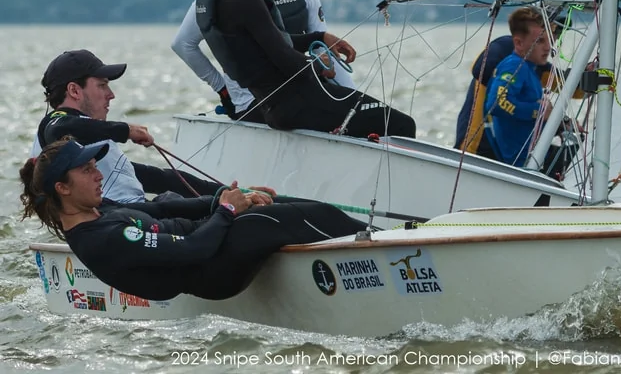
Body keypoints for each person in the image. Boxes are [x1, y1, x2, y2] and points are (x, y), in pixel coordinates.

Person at [20, 137, 368, 301]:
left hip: (213, 242)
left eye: (96, 167)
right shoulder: (99, 238)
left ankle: (376, 234)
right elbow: (192, 250)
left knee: (275, 203)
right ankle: (381, 241)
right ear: (62, 187)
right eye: (87, 170)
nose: (98, 175)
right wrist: (229, 210)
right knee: (275, 220)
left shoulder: (99, 209)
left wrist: (227, 196)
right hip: (212, 271)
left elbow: (165, 209)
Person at [195, 0, 417, 139]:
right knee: (401, 125)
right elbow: (285, 59)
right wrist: (319, 66)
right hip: (302, 101)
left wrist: (319, 37)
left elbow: (271, 44)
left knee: (369, 122)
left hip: (274, 107)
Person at [30, 49, 257, 203]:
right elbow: (60, 128)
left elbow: (156, 178)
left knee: (174, 193)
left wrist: (228, 192)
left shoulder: (87, 135)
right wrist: (125, 130)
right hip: (113, 229)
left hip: (136, 216)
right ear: (74, 91)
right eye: (102, 86)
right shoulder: (56, 124)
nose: (111, 95)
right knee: (174, 202)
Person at [171, 0, 355, 122]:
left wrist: (351, 94)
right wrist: (221, 88)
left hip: (299, 91)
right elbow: (183, 44)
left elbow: (323, 49)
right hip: (252, 101)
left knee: (360, 109)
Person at [455, 6, 584, 159]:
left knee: (572, 156)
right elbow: (480, 70)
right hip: (476, 146)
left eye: (556, 33)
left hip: (512, 149)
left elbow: (573, 89)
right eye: (550, 31)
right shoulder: (506, 49)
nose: (553, 40)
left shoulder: (535, 66)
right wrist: (534, 107)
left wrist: (560, 122)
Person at [482, 6, 576, 169]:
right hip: (524, 164)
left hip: (536, 156)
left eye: (549, 40)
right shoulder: (514, 66)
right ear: (519, 43)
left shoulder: (529, 68)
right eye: (540, 41)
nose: (548, 47)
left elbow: (528, 120)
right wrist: (538, 111)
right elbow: (496, 103)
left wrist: (559, 124)